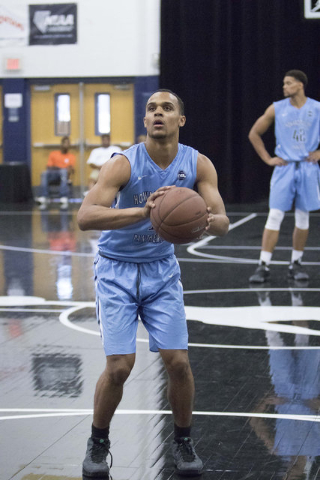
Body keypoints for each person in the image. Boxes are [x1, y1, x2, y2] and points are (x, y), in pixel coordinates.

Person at [77, 89, 229, 478]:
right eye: (151, 109)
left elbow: (222, 220)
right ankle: (98, 443)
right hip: (117, 271)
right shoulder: (123, 164)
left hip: (161, 270)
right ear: (144, 121)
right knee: (119, 368)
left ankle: (182, 441)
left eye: (167, 108)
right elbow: (86, 216)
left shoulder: (198, 164)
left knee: (178, 362)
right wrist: (144, 212)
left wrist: (202, 221)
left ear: (180, 120)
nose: (158, 113)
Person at [248, 70, 320, 283]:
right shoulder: (277, 108)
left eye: (288, 83)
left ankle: (295, 263)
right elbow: (254, 133)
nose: (284, 87)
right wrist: (268, 159)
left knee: (303, 217)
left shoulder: (316, 108)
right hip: (284, 168)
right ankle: (263, 265)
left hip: (308, 168)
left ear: (300, 85)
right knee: (275, 215)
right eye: (284, 83)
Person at [36, 136, 76, 208]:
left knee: (63, 172)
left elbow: (70, 169)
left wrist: (61, 169)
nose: (66, 145)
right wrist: (61, 168)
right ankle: (44, 196)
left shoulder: (71, 156)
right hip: (53, 175)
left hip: (64, 176)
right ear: (61, 144)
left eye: (68, 143)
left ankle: (63, 196)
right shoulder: (53, 154)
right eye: (65, 143)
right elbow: (49, 167)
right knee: (44, 173)